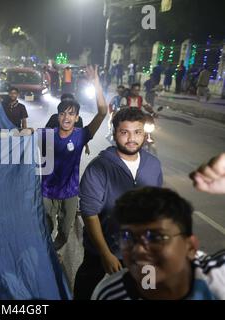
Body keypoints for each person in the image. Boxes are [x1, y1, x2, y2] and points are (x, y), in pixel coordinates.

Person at [73, 108, 163, 300]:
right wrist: (105, 253)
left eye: (137, 132)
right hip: (102, 250)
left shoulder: (153, 165)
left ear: (144, 134)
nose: (132, 138)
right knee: (86, 292)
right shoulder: (98, 168)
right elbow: (90, 214)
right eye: (125, 132)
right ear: (114, 134)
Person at [92, 187, 225, 300]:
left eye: (156, 237)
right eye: (128, 236)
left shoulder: (220, 278)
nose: (139, 250)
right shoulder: (109, 295)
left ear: (190, 247)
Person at [41, 65, 107, 252]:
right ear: (58, 116)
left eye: (71, 113)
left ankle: (55, 251)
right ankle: (48, 258)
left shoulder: (81, 135)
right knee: (45, 229)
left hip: (70, 193)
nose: (66, 117)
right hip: (47, 191)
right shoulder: (47, 134)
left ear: (77, 117)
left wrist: (96, 82)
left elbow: (102, 112)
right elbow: (25, 137)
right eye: (62, 113)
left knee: (64, 232)